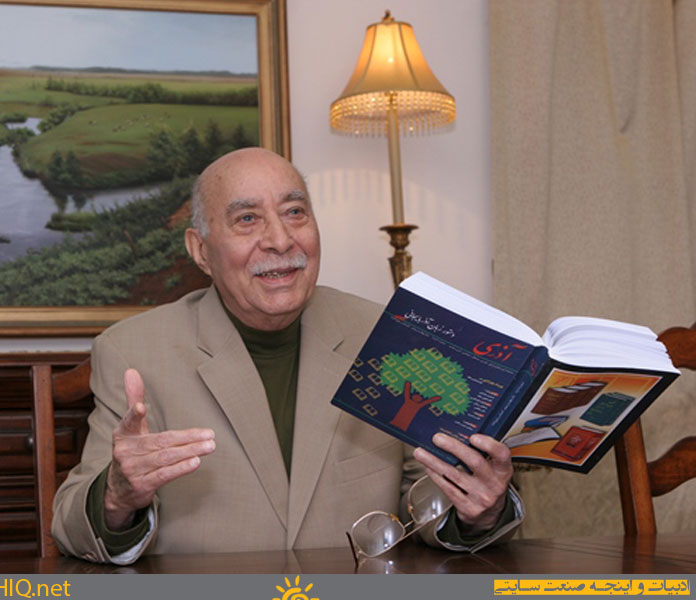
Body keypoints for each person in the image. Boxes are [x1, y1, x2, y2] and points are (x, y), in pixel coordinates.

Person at [51, 147, 523, 564]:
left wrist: (480, 511)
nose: (280, 240)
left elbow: (430, 501)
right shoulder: (134, 351)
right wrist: (117, 497)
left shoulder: (385, 335)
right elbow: (71, 528)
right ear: (201, 251)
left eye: (295, 212)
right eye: (247, 219)